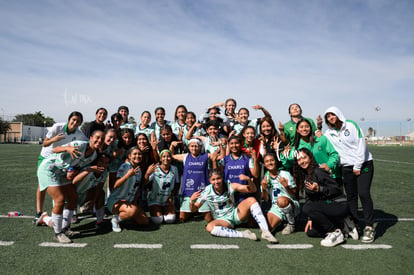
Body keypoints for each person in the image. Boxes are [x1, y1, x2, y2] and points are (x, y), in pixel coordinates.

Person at [37, 130, 104, 243]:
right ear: (91, 138)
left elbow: (77, 166)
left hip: (62, 173)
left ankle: (65, 228)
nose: (99, 141)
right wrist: (68, 149)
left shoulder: (94, 155)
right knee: (60, 200)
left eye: (102, 139)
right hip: (49, 169)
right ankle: (57, 233)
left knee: (73, 198)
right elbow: (54, 149)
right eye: (97, 138)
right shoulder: (79, 144)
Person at [323, 106, 375, 243]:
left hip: (364, 164)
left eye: (332, 115)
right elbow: (321, 142)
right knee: (351, 197)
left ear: (338, 114)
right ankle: (355, 225)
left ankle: (369, 227)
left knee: (363, 193)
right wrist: (317, 129)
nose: (330, 118)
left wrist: (358, 165)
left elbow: (361, 145)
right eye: (327, 116)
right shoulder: (329, 133)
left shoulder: (351, 125)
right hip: (346, 167)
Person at [189, 169, 278, 243]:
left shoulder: (230, 185)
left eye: (218, 178)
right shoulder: (207, 191)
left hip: (235, 214)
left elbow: (253, 190)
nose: (216, 182)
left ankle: (265, 232)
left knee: (251, 200)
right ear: (210, 181)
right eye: (213, 179)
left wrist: (248, 180)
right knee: (210, 227)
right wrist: (191, 201)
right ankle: (243, 234)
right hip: (223, 220)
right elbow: (193, 210)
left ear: (222, 178)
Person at [292, 148, 356, 247]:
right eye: (299, 160)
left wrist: (319, 189)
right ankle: (342, 226)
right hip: (326, 206)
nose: (302, 161)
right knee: (311, 231)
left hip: (338, 204)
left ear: (310, 157)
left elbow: (336, 189)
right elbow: (310, 198)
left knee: (307, 208)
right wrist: (310, 218)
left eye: (304, 157)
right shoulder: (305, 175)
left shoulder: (318, 171)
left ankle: (335, 232)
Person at [34, 111, 88, 225]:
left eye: (78, 121)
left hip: (59, 160)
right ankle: (39, 212)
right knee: (41, 185)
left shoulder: (79, 134)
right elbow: (45, 144)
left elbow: (89, 143)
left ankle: (63, 213)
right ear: (69, 120)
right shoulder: (57, 127)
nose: (75, 122)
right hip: (46, 157)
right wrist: (54, 139)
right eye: (73, 120)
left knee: (60, 186)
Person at [172, 138, 218, 222]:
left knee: (209, 219)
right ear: (189, 147)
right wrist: (171, 146)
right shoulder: (186, 156)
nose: (194, 148)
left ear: (200, 147)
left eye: (196, 146)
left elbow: (220, 156)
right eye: (192, 146)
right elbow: (171, 156)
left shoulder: (205, 156)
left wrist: (221, 146)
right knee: (182, 218)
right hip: (188, 191)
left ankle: (198, 210)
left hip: (203, 191)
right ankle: (193, 210)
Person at [107, 146, 149, 232]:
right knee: (132, 211)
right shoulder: (125, 166)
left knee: (144, 221)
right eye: (135, 154)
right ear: (129, 156)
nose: (137, 156)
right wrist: (127, 175)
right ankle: (115, 219)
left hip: (128, 203)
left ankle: (125, 215)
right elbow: (115, 185)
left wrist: (134, 202)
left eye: (139, 154)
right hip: (116, 201)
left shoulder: (139, 170)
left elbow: (136, 189)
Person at [261, 153, 299, 235]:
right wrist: (264, 189)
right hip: (275, 207)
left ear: (275, 161)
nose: (270, 163)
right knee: (264, 228)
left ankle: (291, 223)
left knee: (281, 200)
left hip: (289, 204)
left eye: (272, 160)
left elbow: (295, 195)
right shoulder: (266, 177)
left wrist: (286, 186)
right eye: (267, 161)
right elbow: (266, 199)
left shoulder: (285, 174)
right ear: (264, 164)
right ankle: (281, 221)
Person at [144, 150, 180, 224]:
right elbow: (145, 182)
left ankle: (164, 209)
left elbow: (177, 184)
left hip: (167, 200)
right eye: (163, 156)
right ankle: (156, 208)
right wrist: (147, 173)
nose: (166, 158)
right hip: (155, 199)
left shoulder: (174, 169)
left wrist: (171, 196)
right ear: (160, 159)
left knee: (170, 219)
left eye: (168, 156)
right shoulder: (155, 168)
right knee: (158, 220)